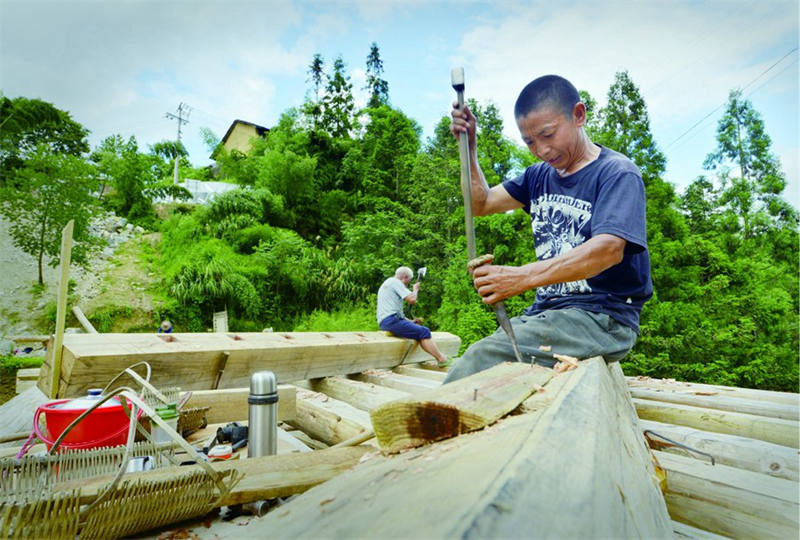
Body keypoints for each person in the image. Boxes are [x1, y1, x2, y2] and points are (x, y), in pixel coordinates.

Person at [444, 74, 652, 383]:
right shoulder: (538, 176)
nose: (541, 150)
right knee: (487, 361)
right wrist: (469, 146)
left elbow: (608, 250)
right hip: (549, 313)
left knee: (482, 359)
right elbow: (481, 203)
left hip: (602, 318)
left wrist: (520, 277)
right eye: (530, 141)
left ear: (578, 115)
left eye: (548, 135)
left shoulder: (617, 173)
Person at [377, 266, 448, 365]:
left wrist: (411, 322)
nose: (408, 284)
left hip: (387, 321)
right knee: (424, 331)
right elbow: (412, 299)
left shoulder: (388, 283)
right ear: (405, 277)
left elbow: (396, 313)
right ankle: (441, 359)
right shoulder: (395, 282)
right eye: (409, 280)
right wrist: (415, 289)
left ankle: (438, 357)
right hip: (391, 321)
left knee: (418, 330)